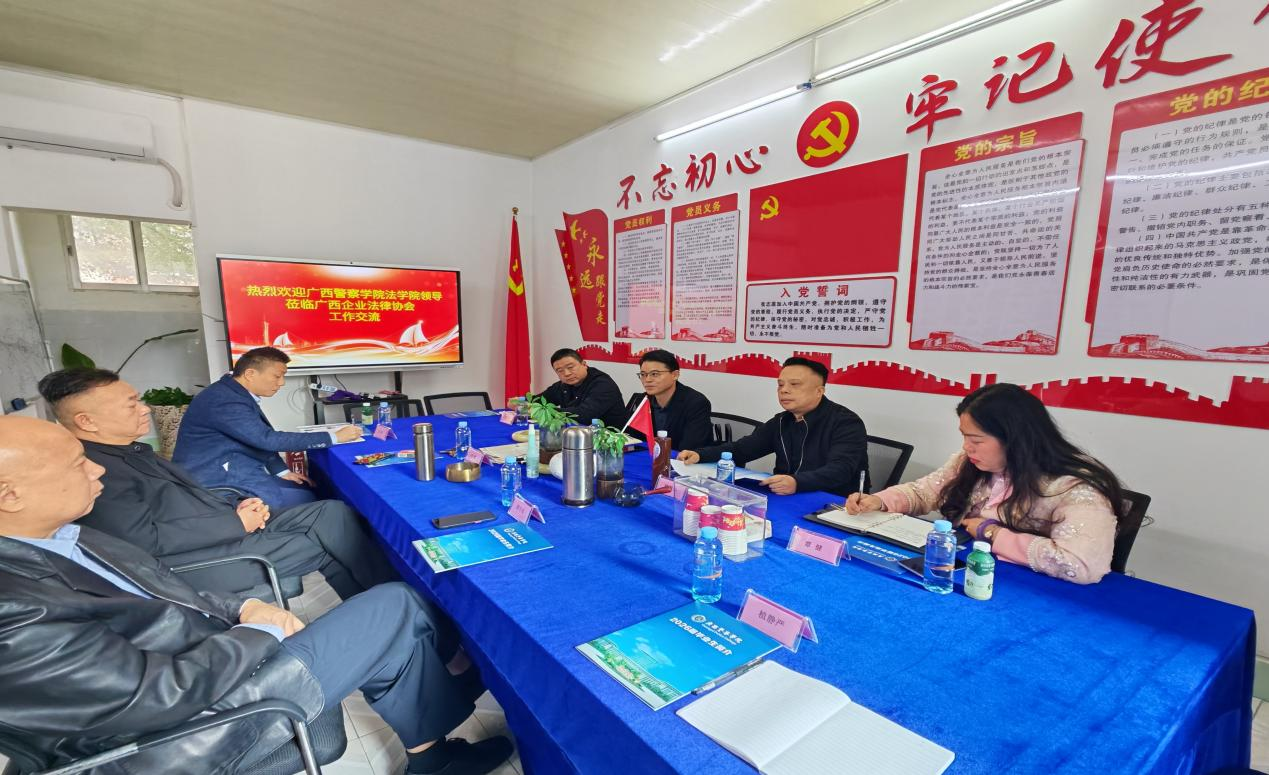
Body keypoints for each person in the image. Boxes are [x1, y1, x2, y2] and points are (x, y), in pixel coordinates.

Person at [0, 416, 510, 775]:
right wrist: (256, 632)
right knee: (396, 606)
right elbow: (156, 698)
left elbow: (161, 587)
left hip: (208, 658)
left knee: (388, 615)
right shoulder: (13, 607)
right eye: (76, 464)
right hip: (185, 731)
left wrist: (241, 605)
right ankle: (443, 716)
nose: (96, 470)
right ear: (10, 495)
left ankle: (433, 749)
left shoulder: (64, 535)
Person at [38, 367, 395, 599]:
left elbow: (179, 498)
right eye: (131, 405)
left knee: (331, 513)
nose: (144, 408)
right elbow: (143, 541)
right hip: (200, 558)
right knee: (328, 543)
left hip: (219, 522)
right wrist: (235, 523)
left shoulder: (126, 449)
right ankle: (389, 600)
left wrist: (235, 507)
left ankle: (380, 596)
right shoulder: (93, 469)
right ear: (87, 421)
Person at [844, 383, 1123, 585]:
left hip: (1038, 594)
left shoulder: (1074, 487)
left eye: (976, 440)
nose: (967, 447)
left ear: (1015, 439)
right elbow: (924, 492)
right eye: (964, 437)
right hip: (967, 573)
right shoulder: (970, 462)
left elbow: (1080, 564)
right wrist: (880, 501)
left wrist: (992, 533)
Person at [173, 346, 363, 511]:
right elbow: (267, 439)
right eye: (277, 376)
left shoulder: (231, 391)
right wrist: (333, 437)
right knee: (313, 500)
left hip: (233, 465)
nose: (281, 383)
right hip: (216, 480)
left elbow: (254, 437)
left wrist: (282, 471)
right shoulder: (225, 400)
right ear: (250, 374)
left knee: (309, 489)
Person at [677, 357, 868, 496]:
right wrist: (701, 455)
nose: (784, 390)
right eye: (780, 385)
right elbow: (743, 449)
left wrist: (797, 482)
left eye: (795, 384)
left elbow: (840, 470)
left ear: (819, 391)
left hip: (833, 502)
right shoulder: (782, 421)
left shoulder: (846, 423)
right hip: (786, 494)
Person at [622, 349, 713, 450]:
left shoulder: (696, 403)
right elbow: (630, 438)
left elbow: (690, 449)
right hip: (647, 457)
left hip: (680, 458)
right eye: (643, 374)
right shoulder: (642, 400)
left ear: (675, 375)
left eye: (654, 374)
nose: (647, 380)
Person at [539, 347, 626, 427]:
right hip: (576, 432)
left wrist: (546, 411)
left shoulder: (603, 384)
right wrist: (533, 406)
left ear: (584, 365)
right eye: (560, 371)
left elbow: (584, 415)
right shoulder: (564, 384)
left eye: (570, 367)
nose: (567, 373)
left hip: (608, 435)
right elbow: (538, 401)